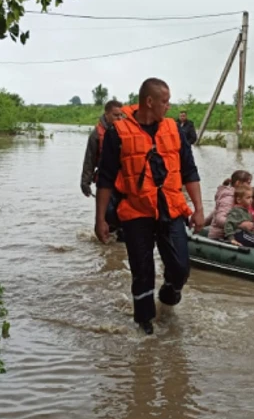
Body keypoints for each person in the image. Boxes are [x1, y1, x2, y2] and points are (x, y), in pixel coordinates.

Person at [95, 78, 205, 335]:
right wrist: (100, 219)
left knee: (180, 267)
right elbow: (106, 179)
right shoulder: (118, 133)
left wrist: (199, 209)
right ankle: (145, 327)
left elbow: (190, 171)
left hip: (171, 208)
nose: (169, 106)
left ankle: (168, 296)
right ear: (149, 101)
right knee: (142, 271)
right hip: (135, 212)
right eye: (165, 101)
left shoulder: (175, 130)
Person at [81, 99, 124, 234]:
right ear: (106, 114)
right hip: (106, 180)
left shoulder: (126, 132)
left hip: (124, 180)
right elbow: (89, 160)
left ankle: (121, 239)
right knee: (109, 213)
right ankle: (108, 245)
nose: (119, 118)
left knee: (124, 213)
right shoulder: (96, 135)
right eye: (115, 115)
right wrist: (85, 182)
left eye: (121, 115)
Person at [204, 170, 252, 240]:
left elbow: (215, 213)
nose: (250, 186)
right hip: (221, 236)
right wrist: (240, 225)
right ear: (238, 183)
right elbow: (219, 219)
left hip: (232, 233)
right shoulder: (229, 197)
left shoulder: (238, 196)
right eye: (248, 183)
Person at [224, 185, 254, 250]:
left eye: (251, 197)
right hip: (239, 235)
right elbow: (228, 224)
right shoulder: (236, 211)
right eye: (248, 198)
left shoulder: (247, 211)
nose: (251, 200)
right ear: (239, 200)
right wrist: (231, 239)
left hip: (247, 234)